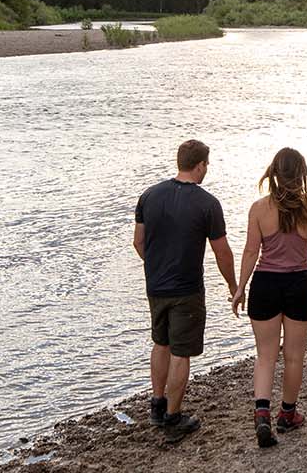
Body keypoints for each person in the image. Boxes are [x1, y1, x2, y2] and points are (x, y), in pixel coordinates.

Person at [229, 147, 307, 448]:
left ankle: (261, 414)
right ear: (302, 173)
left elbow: (251, 251)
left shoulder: (259, 209)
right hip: (300, 284)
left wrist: (240, 288)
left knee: (265, 355)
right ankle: (287, 414)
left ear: (273, 173)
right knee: (293, 355)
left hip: (265, 284)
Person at [132, 139, 236, 443]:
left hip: (156, 285)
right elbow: (222, 253)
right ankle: (174, 417)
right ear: (200, 165)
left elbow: (138, 242)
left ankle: (157, 404)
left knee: (160, 343)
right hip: (187, 289)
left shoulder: (149, 196)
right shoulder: (207, 204)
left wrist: (156, 266)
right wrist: (233, 286)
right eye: (207, 165)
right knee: (181, 352)